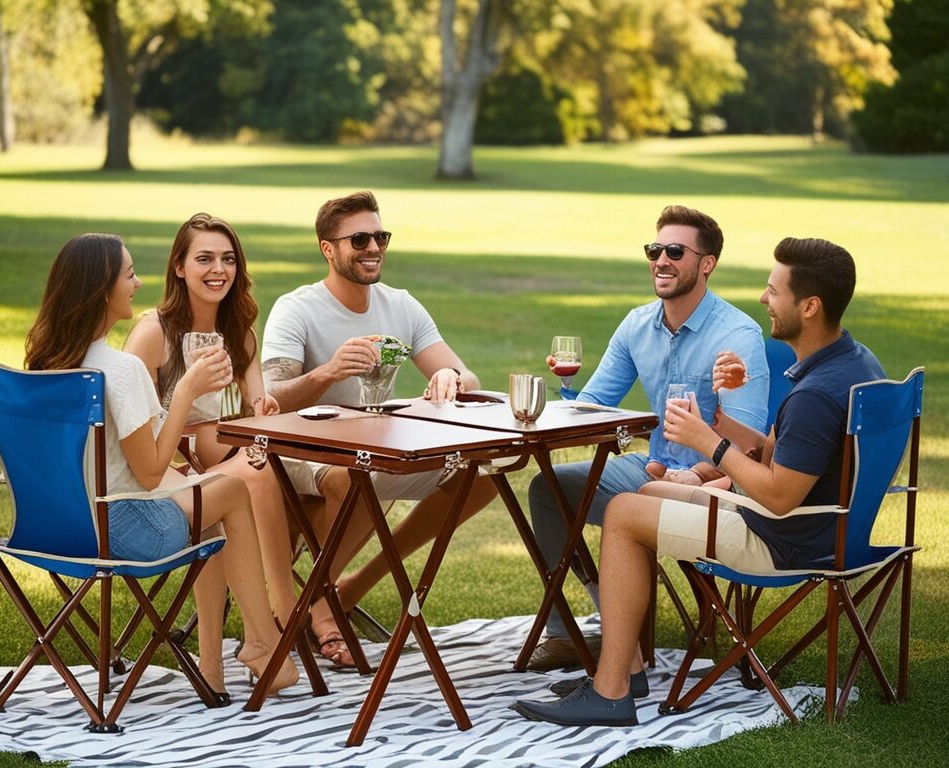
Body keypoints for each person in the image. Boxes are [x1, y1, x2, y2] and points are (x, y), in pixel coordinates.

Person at [513, 236, 885, 726]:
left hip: (786, 539)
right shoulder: (852, 363)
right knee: (646, 493)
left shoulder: (816, 393)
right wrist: (718, 421)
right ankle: (627, 663)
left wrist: (708, 445)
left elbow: (776, 494)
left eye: (774, 290)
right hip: (828, 528)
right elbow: (777, 455)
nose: (763, 299)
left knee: (624, 511)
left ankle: (609, 693)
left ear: (810, 306)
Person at [25, 232, 298, 702]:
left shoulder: (45, 364)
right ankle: (261, 641)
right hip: (123, 530)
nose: (137, 283)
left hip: (53, 526)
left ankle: (214, 668)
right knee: (227, 495)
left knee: (205, 501)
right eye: (129, 274)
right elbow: (150, 471)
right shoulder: (121, 370)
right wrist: (187, 392)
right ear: (101, 289)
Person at [526, 204, 770, 671]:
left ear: (707, 264)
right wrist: (564, 392)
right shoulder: (637, 324)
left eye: (675, 251)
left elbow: (748, 445)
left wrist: (694, 474)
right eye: (654, 249)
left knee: (624, 500)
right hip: (651, 468)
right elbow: (595, 405)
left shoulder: (738, 334)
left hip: (711, 481)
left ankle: (621, 648)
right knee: (546, 489)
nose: (661, 259)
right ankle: (573, 630)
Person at [261, 190, 498, 666]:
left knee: (487, 474)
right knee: (360, 475)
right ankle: (322, 608)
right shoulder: (297, 308)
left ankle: (339, 591)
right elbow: (269, 401)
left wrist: (450, 376)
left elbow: (466, 377)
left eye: (380, 237)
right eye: (360, 239)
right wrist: (327, 372)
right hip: (299, 449)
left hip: (373, 447)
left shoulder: (401, 306)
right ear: (329, 249)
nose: (373, 248)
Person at [124, 213, 300, 632]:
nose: (219, 270)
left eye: (228, 259)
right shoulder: (154, 333)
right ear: (180, 268)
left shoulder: (238, 332)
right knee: (256, 477)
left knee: (261, 469)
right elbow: (128, 424)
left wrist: (264, 407)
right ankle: (285, 612)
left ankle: (277, 618)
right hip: (160, 472)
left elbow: (258, 408)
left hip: (213, 459)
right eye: (204, 259)